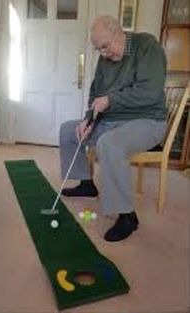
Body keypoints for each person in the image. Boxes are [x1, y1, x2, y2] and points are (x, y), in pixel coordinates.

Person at [59, 15, 167, 242]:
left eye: (106, 46)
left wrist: (110, 101)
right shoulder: (105, 59)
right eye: (99, 49)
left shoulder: (147, 46)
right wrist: (88, 119)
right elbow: (95, 93)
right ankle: (86, 184)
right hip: (110, 120)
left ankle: (127, 216)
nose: (104, 53)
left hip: (147, 121)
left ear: (119, 32)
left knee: (109, 144)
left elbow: (150, 93)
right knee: (69, 131)